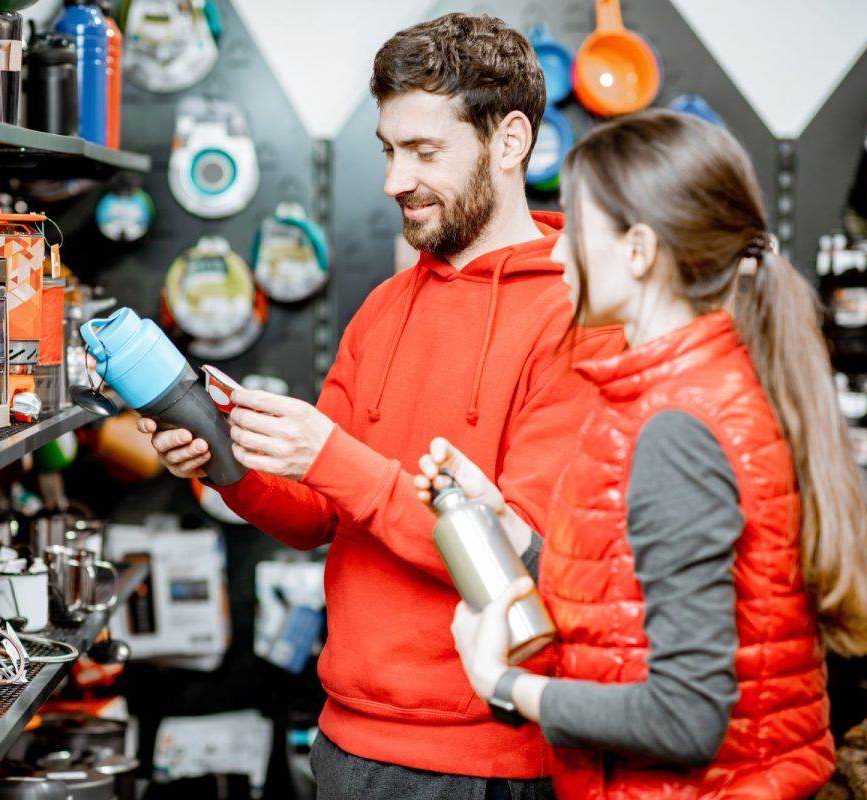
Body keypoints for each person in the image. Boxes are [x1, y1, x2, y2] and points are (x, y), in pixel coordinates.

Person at [138, 13, 622, 800]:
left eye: (425, 152)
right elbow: (316, 517)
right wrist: (229, 464)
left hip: (482, 761)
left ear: (509, 143)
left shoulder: (575, 318)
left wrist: (328, 455)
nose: (396, 180)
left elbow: (522, 563)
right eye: (389, 150)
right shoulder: (385, 307)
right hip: (346, 741)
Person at [416, 109, 867, 799]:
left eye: (575, 228)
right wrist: (512, 530)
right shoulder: (671, 393)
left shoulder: (678, 426)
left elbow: (686, 718)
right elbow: (639, 596)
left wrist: (505, 685)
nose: (557, 252)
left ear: (638, 250)